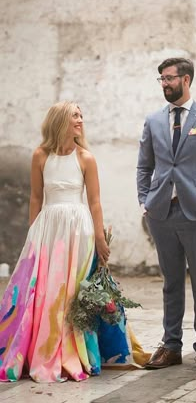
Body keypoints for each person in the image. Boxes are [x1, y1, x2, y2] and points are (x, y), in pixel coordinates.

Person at [0, 101, 148, 383]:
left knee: (72, 290)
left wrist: (101, 238)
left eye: (81, 115)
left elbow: (94, 202)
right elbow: (35, 197)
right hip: (48, 229)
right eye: (74, 116)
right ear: (59, 121)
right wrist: (33, 234)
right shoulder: (40, 155)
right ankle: (40, 347)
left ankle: (78, 349)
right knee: (44, 290)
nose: (80, 120)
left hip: (79, 229)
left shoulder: (85, 158)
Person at [137, 57, 196, 373]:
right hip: (161, 212)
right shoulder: (153, 120)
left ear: (185, 79)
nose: (164, 83)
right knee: (171, 282)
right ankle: (171, 346)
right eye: (161, 79)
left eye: (169, 78)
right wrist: (144, 202)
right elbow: (144, 165)